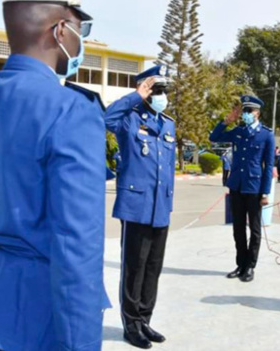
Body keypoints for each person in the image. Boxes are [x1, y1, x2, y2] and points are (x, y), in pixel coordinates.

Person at [0, 0, 109, 351]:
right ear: (59, 31)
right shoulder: (71, 111)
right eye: (79, 30)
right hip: (38, 321)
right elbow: (77, 245)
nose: (80, 41)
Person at [105, 65, 175, 349]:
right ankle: (131, 325)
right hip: (136, 205)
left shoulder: (167, 123)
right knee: (134, 267)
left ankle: (145, 319)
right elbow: (105, 119)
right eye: (156, 90)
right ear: (144, 92)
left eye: (163, 91)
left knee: (153, 268)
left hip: (161, 207)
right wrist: (134, 96)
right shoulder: (128, 119)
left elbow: (167, 167)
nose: (162, 96)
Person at [209, 95, 275, 282]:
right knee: (238, 228)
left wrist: (265, 192)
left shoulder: (266, 134)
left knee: (254, 230)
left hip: (254, 188)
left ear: (257, 113)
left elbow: (268, 165)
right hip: (237, 185)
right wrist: (225, 122)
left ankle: (250, 267)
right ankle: (240, 264)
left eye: (249, 111)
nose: (245, 114)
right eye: (244, 111)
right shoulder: (238, 131)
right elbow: (214, 138)